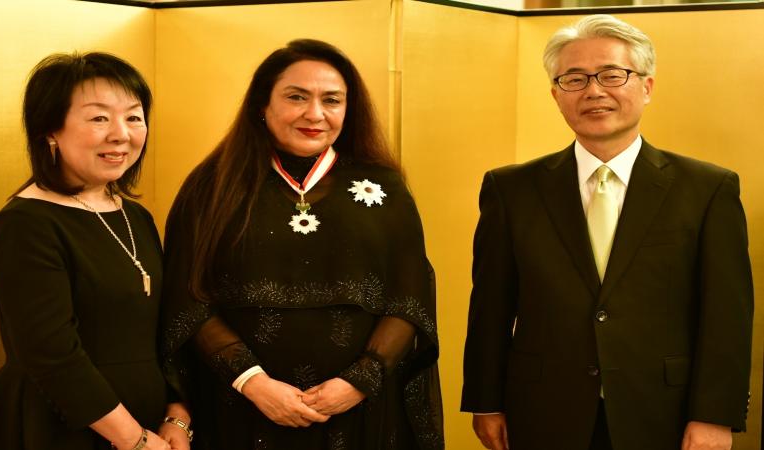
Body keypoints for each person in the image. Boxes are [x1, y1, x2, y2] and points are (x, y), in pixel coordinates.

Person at [461, 14, 753, 450]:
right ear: (556, 95)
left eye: (613, 75)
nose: (594, 91)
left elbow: (726, 315)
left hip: (665, 411)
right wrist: (485, 401)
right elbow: (490, 304)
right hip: (543, 408)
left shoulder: (708, 188)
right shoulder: (511, 189)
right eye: (574, 79)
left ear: (647, 86)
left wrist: (715, 415)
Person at [160, 39, 444, 450]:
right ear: (263, 103)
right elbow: (186, 298)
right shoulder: (212, 186)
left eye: (332, 100)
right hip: (241, 408)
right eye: (296, 97)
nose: (315, 114)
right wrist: (252, 382)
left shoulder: (384, 187)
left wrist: (359, 381)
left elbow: (410, 299)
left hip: (361, 410)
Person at [0, 52, 191, 450]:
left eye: (134, 116)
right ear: (49, 129)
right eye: (99, 118)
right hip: (57, 428)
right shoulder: (26, 224)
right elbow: (52, 356)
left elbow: (163, 331)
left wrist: (177, 413)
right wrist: (134, 440)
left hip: (148, 428)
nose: (121, 133)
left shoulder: (136, 215)